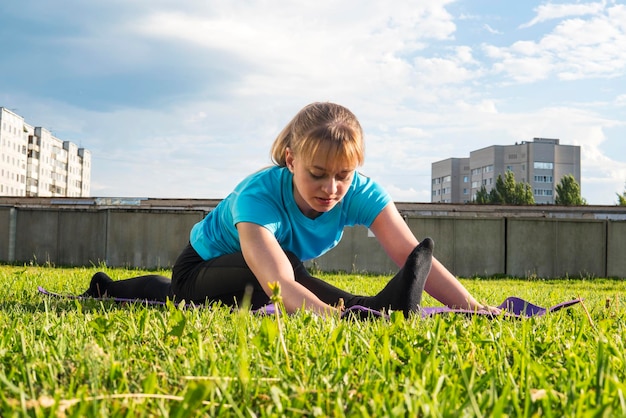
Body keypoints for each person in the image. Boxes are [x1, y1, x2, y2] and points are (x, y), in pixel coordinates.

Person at [83, 102, 498, 317]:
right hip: (200, 270)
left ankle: (108, 286)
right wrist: (339, 323)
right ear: (291, 159)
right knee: (196, 290)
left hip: (269, 272)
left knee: (290, 266)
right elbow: (279, 284)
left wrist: (474, 309)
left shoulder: (359, 190)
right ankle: (363, 309)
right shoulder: (258, 197)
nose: (332, 189)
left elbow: (411, 254)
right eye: (317, 173)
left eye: (344, 175)